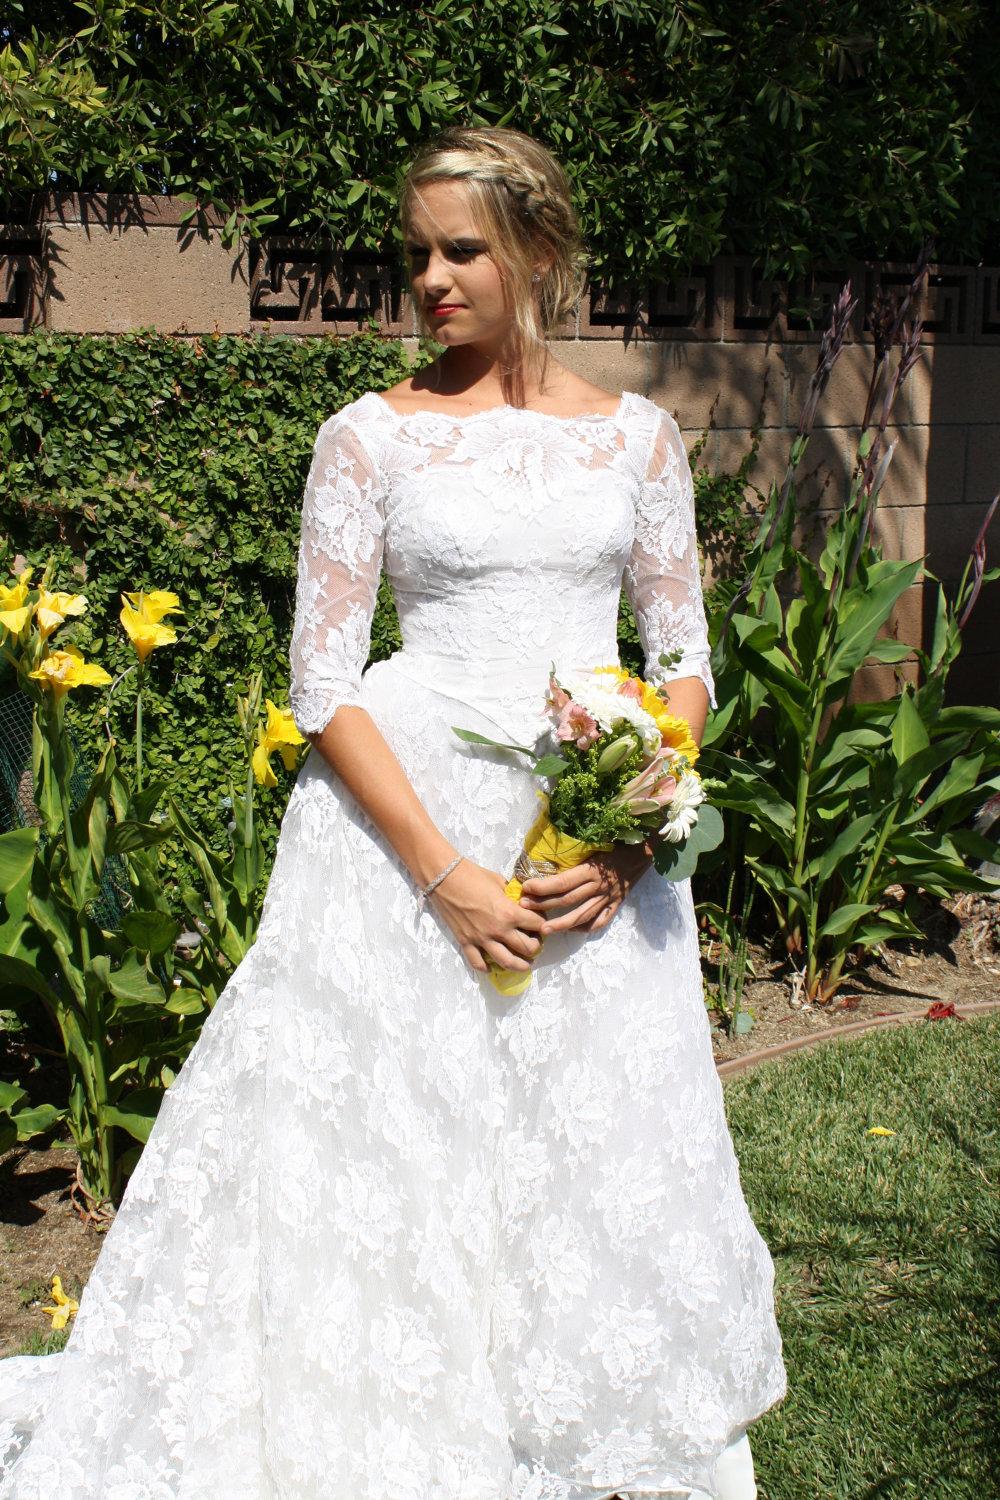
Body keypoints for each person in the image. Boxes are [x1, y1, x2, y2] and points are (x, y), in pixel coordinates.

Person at [0, 125, 786, 1499]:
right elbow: (324, 682)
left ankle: (563, 1398)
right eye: (417, 251)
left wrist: (623, 835)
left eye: (461, 249)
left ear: (537, 250)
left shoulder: (641, 439)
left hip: (586, 839)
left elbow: (683, 661)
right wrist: (441, 875)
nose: (430, 277)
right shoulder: (366, 440)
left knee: (577, 1132)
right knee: (396, 1141)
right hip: (396, 841)